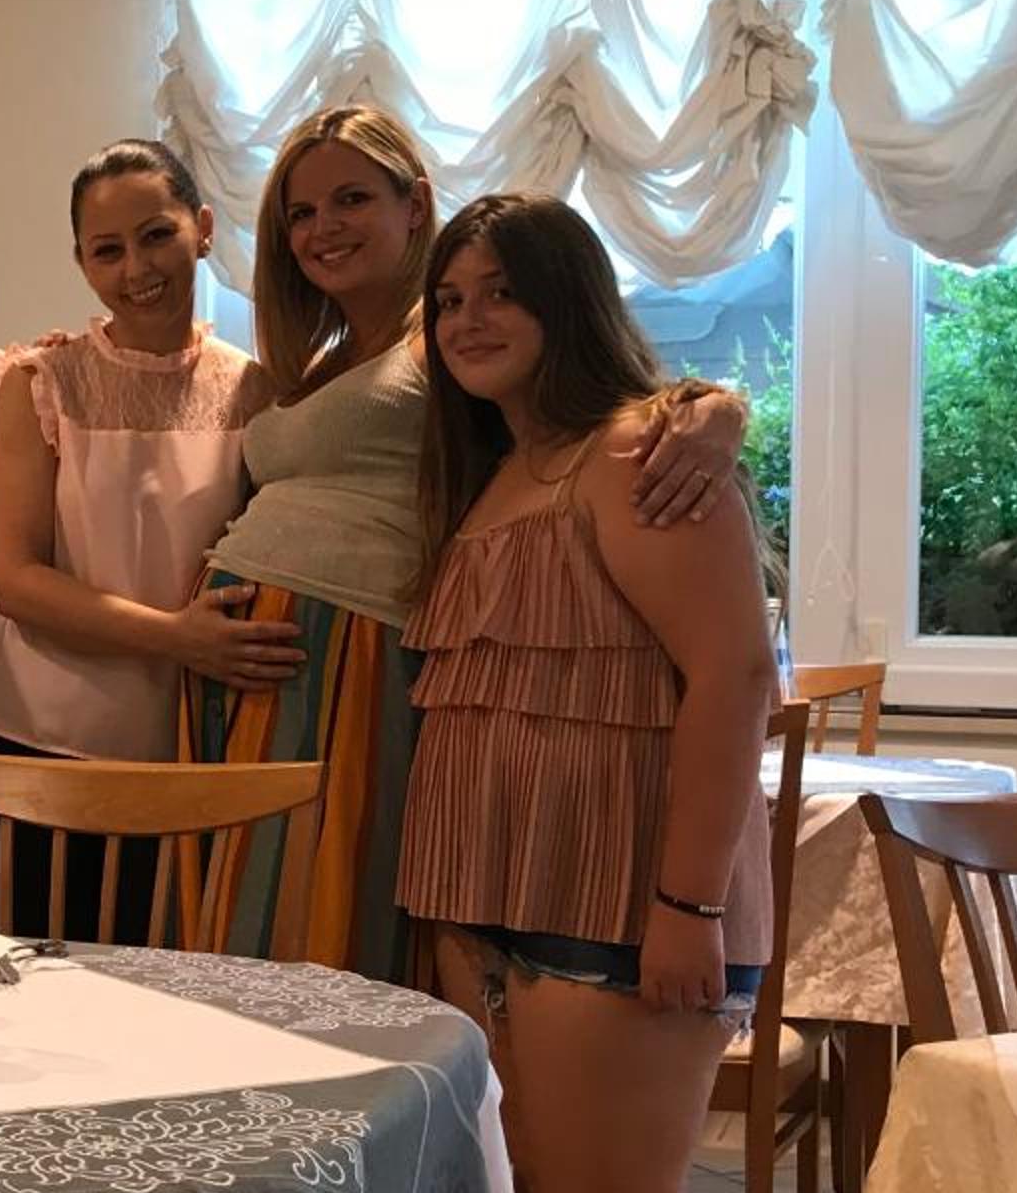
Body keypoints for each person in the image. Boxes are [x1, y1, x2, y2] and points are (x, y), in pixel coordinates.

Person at [399, 192, 820, 1193]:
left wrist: (687, 903)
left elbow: (733, 678)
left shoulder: (641, 453)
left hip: (627, 896)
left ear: (565, 300)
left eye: (498, 291)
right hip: (500, 888)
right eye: (449, 298)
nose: (468, 318)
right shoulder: (499, 471)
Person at [184, 105, 744, 978]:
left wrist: (714, 409)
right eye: (300, 212)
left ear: (415, 204)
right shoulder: (320, 362)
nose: (323, 228)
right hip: (258, 678)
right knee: (239, 946)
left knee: (322, 945)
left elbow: (590, 390)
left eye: (351, 199)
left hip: (355, 666)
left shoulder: (448, 340)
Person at [0, 139, 286, 938]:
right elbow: (13, 578)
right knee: (35, 986)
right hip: (33, 739)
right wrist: (177, 636)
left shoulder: (255, 389)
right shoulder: (42, 382)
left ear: (202, 228)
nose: (136, 267)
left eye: (157, 234)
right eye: (107, 250)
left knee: (173, 984)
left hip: (191, 744)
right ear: (82, 263)